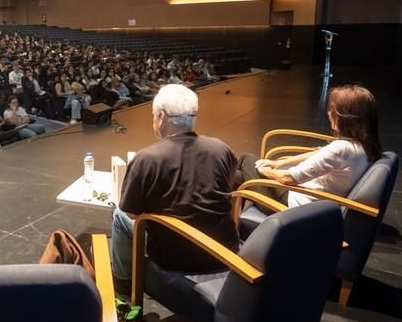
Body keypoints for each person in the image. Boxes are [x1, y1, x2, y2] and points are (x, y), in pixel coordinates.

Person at [111, 85, 238, 295]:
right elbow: (227, 186)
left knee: (118, 215)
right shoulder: (221, 149)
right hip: (222, 249)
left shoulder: (147, 158)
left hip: (176, 257)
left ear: (161, 117)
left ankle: (123, 286)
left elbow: (131, 212)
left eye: (153, 115)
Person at [237, 84, 381, 209]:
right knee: (235, 176)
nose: (329, 114)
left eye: (333, 110)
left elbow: (287, 178)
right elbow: (318, 153)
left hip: (295, 205)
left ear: (344, 117)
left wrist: (265, 171)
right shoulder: (365, 146)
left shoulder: (342, 149)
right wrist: (279, 163)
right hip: (317, 201)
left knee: (245, 160)